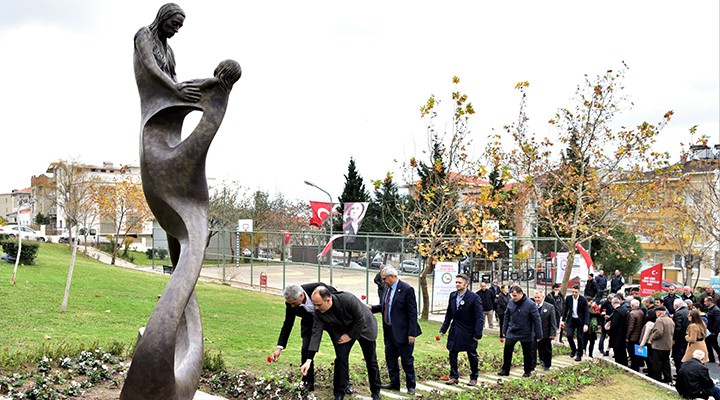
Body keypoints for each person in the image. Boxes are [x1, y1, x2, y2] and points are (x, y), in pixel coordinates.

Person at [301, 287, 382, 400]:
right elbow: (316, 335)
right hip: (343, 330)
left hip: (365, 327)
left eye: (318, 304)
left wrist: (349, 336)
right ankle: (339, 393)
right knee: (341, 359)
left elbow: (360, 320)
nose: (316, 308)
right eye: (315, 304)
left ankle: (376, 392)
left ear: (328, 300)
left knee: (371, 359)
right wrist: (309, 360)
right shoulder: (319, 312)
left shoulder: (348, 299)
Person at [272, 283, 338, 392]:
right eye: (290, 304)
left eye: (294, 303)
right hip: (309, 322)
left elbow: (337, 301)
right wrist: (279, 347)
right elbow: (288, 324)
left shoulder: (319, 289)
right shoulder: (290, 303)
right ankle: (307, 383)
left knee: (340, 349)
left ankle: (343, 383)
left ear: (302, 295)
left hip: (328, 319)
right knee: (305, 349)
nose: (292, 306)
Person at [369, 266, 422, 395]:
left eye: (384, 279)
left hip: (403, 332)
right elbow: (385, 306)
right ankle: (394, 383)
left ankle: (411, 386)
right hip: (389, 330)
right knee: (390, 358)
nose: (383, 281)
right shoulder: (387, 288)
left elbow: (412, 312)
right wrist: (372, 308)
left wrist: (411, 333)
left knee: (407, 360)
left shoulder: (407, 289)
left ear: (391, 276)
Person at [439, 274, 484, 386]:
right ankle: (454, 376)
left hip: (468, 330)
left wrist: (478, 333)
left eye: (460, 282)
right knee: (452, 352)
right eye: (456, 282)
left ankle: (474, 377)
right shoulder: (453, 296)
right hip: (455, 329)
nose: (457, 284)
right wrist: (444, 329)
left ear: (466, 284)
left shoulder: (474, 297)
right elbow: (449, 314)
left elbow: (479, 317)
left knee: (472, 354)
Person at [499, 286, 542, 377]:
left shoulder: (530, 304)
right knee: (507, 349)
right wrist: (504, 329)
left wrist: (539, 335)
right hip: (512, 331)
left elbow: (537, 320)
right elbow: (507, 316)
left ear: (521, 294)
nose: (513, 297)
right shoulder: (511, 302)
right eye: (512, 295)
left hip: (525, 332)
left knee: (527, 353)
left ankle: (527, 371)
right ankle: (505, 370)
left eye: (515, 295)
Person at [648, 306, 674, 384]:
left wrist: (651, 338)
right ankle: (668, 378)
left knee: (657, 363)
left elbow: (659, 332)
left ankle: (657, 378)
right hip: (668, 344)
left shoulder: (659, 320)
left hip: (659, 345)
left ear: (659, 312)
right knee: (666, 362)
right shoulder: (670, 320)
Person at [564, 285, 590, 361]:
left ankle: (579, 354)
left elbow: (586, 312)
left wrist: (586, 324)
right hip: (571, 319)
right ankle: (573, 349)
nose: (574, 294)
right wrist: (563, 320)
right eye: (573, 292)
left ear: (578, 291)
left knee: (580, 337)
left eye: (575, 292)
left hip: (580, 321)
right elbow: (565, 309)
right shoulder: (569, 298)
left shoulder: (583, 300)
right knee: (569, 335)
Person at [532, 289, 557, 371]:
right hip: (534, 332)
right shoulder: (532, 306)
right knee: (535, 348)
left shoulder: (549, 307)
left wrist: (553, 333)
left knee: (546, 349)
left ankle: (547, 364)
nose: (537, 299)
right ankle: (535, 363)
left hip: (545, 332)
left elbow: (553, 321)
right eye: (535, 297)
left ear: (543, 297)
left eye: (538, 297)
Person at [626, 298, 646, 371]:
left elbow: (630, 326)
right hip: (640, 335)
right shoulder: (641, 312)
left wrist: (627, 337)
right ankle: (638, 365)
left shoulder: (632, 313)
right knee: (638, 353)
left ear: (632, 305)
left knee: (632, 353)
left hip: (633, 336)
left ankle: (634, 367)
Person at [608, 297, 629, 366]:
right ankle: (625, 364)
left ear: (612, 303)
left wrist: (610, 332)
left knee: (617, 352)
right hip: (624, 334)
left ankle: (619, 365)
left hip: (617, 335)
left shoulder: (616, 311)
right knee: (623, 352)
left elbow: (614, 324)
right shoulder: (625, 310)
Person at [673, 298, 691, 372]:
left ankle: (679, 373)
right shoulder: (687, 312)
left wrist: (674, 338)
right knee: (683, 356)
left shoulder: (678, 313)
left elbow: (677, 327)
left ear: (676, 306)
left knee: (677, 356)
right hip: (686, 337)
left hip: (680, 339)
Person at [704, 296, 720, 363]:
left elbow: (717, 321)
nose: (704, 303)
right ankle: (711, 358)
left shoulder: (716, 310)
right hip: (709, 330)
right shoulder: (709, 309)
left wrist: (713, 331)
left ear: (710, 301)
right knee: (708, 343)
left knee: (714, 344)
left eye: (705, 301)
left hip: (713, 331)